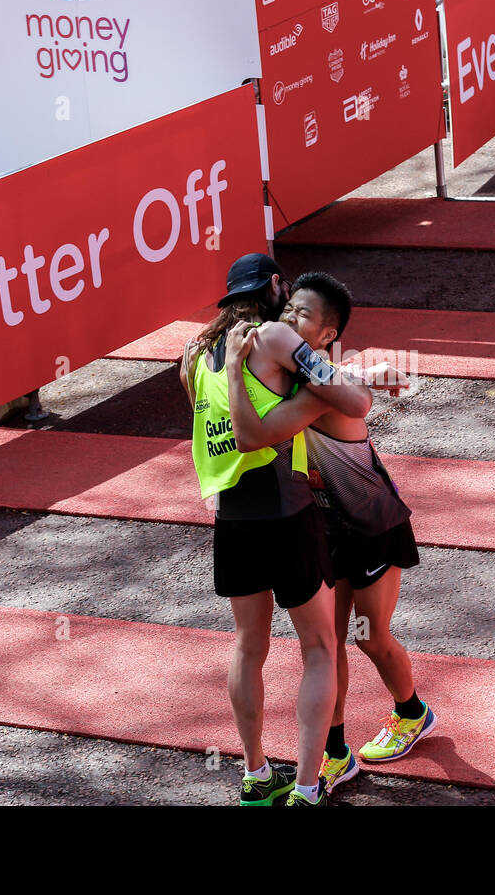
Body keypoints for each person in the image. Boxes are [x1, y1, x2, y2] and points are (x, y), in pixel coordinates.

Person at [225, 273, 434, 799]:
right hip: (320, 529)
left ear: (325, 335)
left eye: (301, 317)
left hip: (374, 527)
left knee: (368, 637)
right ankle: (336, 752)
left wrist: (374, 371)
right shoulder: (286, 375)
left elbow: (345, 383)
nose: (287, 320)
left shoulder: (322, 387)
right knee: (326, 643)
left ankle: (412, 711)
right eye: (287, 309)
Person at [181, 253, 374, 807]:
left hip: (231, 520)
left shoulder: (194, 353)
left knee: (248, 647)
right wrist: (322, 391)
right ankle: (309, 787)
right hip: (287, 515)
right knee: (318, 647)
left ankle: (256, 772)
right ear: (273, 286)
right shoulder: (272, 339)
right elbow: (353, 397)